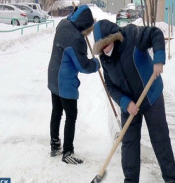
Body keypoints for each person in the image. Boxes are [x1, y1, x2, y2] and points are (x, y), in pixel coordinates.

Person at [92, 19, 175, 182]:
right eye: (101, 48)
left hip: (151, 96)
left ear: (113, 38)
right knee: (129, 143)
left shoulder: (132, 36)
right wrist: (125, 103)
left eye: (106, 44)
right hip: (130, 103)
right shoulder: (105, 58)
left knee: (160, 140)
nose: (105, 50)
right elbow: (110, 86)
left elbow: (155, 34)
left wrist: (159, 58)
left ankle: (170, 179)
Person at [47, 5, 100, 165]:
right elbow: (83, 65)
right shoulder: (77, 39)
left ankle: (55, 145)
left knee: (56, 112)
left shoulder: (63, 23)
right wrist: (95, 63)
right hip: (65, 82)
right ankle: (67, 152)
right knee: (71, 115)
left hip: (53, 75)